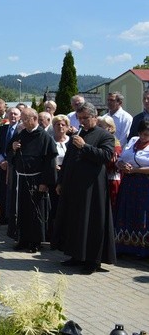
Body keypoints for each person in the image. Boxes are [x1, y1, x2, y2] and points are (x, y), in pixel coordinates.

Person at [54, 102, 116, 274]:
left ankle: (92, 261)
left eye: (85, 118)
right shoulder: (79, 133)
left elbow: (105, 156)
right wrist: (61, 181)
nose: (82, 122)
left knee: (92, 222)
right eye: (79, 118)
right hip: (74, 186)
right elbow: (68, 159)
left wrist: (85, 147)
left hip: (93, 187)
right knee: (76, 220)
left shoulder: (105, 135)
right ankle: (76, 255)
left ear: (95, 117)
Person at [8, 108, 57, 253]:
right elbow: (10, 154)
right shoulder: (21, 134)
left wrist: (45, 182)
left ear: (34, 119)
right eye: (22, 119)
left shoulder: (45, 137)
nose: (22, 122)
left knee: (35, 212)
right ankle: (22, 239)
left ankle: (35, 242)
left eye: (24, 119)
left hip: (37, 179)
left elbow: (50, 162)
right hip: (21, 179)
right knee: (21, 210)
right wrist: (13, 148)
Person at [115, 118, 149, 257]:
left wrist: (135, 170)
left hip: (145, 184)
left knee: (143, 214)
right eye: (142, 133)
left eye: (147, 135)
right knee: (127, 211)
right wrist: (122, 165)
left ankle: (143, 249)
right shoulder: (133, 140)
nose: (143, 137)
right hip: (129, 183)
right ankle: (125, 246)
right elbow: (121, 158)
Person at [0, 107, 21, 228]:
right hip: (2, 164)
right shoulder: (3, 128)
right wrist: (1, 160)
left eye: (15, 114)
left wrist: (9, 161)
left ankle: (12, 218)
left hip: (14, 165)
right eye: (11, 114)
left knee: (12, 191)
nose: (13, 116)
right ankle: (3, 216)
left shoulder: (21, 130)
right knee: (1, 190)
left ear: (19, 117)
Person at [48, 114, 70, 243]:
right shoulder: (50, 140)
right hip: (54, 175)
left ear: (67, 127)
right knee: (55, 206)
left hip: (68, 176)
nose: (60, 127)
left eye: (63, 124)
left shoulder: (72, 141)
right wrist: (53, 165)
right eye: (57, 124)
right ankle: (54, 235)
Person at [97, 116, 122, 213]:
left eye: (101, 126)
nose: (98, 128)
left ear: (110, 128)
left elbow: (112, 161)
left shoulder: (114, 142)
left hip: (111, 179)